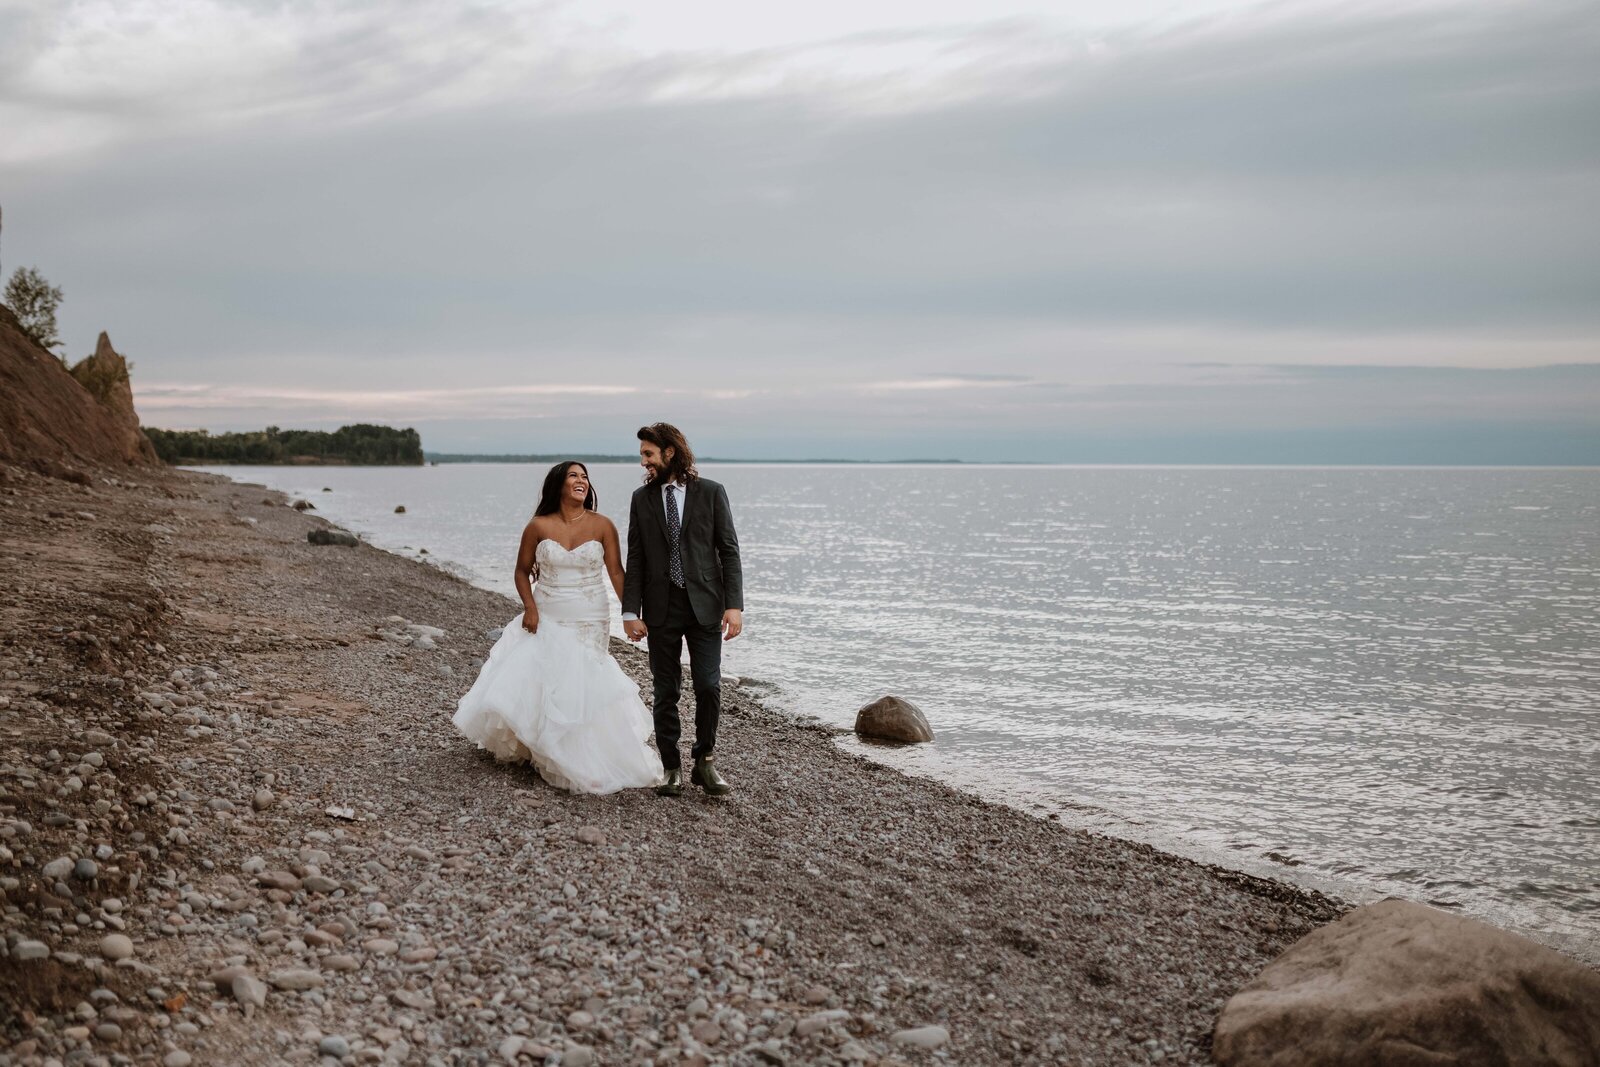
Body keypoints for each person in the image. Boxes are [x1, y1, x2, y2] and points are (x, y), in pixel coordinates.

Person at [453, 461, 664, 794]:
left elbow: (617, 574)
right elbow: (521, 572)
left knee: (585, 678)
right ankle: (543, 746)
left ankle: (583, 749)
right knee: (548, 677)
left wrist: (631, 615)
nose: (581, 481)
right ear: (558, 485)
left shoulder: (603, 525)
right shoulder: (538, 526)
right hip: (549, 611)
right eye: (573, 476)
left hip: (591, 614)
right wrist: (530, 608)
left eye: (584, 477)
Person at [622, 423, 743, 797]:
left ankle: (704, 762)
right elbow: (637, 557)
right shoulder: (641, 500)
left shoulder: (710, 492)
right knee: (665, 690)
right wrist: (630, 612)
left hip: (706, 605)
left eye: (648, 454)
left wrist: (734, 605)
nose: (644, 461)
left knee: (708, 684)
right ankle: (671, 767)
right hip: (661, 607)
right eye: (643, 454)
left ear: (669, 452)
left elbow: (728, 550)